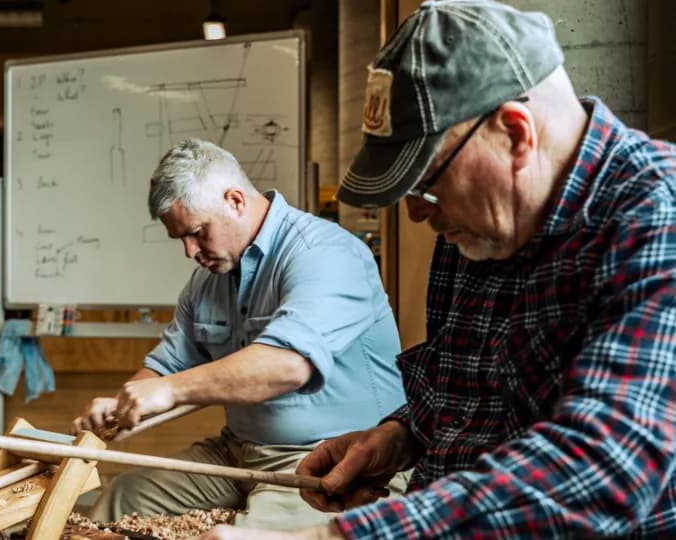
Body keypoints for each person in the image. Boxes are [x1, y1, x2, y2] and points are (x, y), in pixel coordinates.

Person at [190, 1, 676, 539]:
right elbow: (464, 386)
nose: (418, 213)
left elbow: (606, 465)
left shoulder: (658, 218)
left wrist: (338, 538)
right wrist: (399, 436)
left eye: (424, 184)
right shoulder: (483, 225)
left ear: (515, 134)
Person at [71, 138, 408, 530]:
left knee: (250, 536)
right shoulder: (206, 282)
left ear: (234, 200)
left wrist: (171, 391)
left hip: (335, 459)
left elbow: (287, 366)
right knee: (122, 498)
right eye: (180, 238)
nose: (189, 250)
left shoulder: (326, 253)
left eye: (197, 232)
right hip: (237, 452)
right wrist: (120, 406)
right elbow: (167, 367)